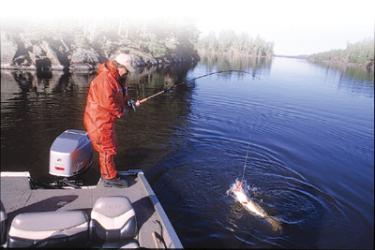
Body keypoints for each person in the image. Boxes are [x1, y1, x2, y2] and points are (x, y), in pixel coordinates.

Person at [83, 53, 140, 187]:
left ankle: (110, 173)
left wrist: (129, 102)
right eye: (127, 70)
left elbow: (120, 96)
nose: (127, 73)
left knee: (111, 146)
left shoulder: (116, 78)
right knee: (107, 149)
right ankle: (109, 178)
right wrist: (122, 111)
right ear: (119, 66)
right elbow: (108, 103)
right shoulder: (105, 80)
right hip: (97, 121)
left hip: (105, 119)